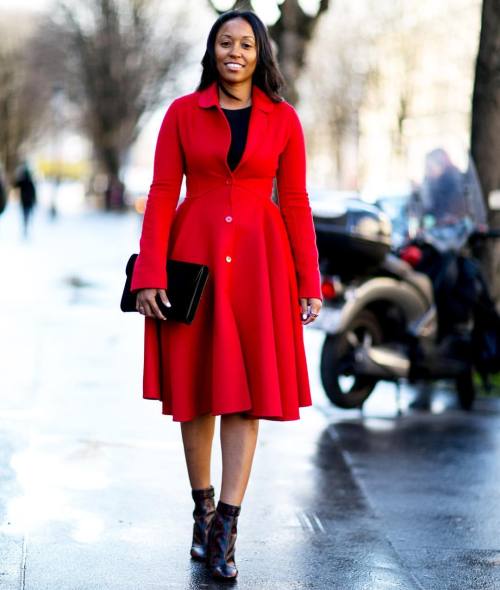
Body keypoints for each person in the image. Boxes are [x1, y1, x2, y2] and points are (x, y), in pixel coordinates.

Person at [130, 9, 323, 580]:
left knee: (245, 398)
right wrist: (149, 272)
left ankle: (226, 531)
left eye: (245, 44)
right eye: (224, 42)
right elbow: (164, 191)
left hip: (261, 270)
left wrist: (308, 279)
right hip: (196, 264)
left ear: (262, 54)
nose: (234, 51)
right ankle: (203, 509)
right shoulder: (182, 114)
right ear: (211, 51)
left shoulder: (284, 120)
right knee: (198, 394)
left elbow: (295, 202)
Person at [14, 162, 37, 238]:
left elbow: (15, 185)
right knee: (26, 215)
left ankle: (25, 228)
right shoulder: (29, 182)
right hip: (27, 202)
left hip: (25, 202)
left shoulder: (23, 181)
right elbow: (34, 193)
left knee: (25, 215)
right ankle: (25, 228)